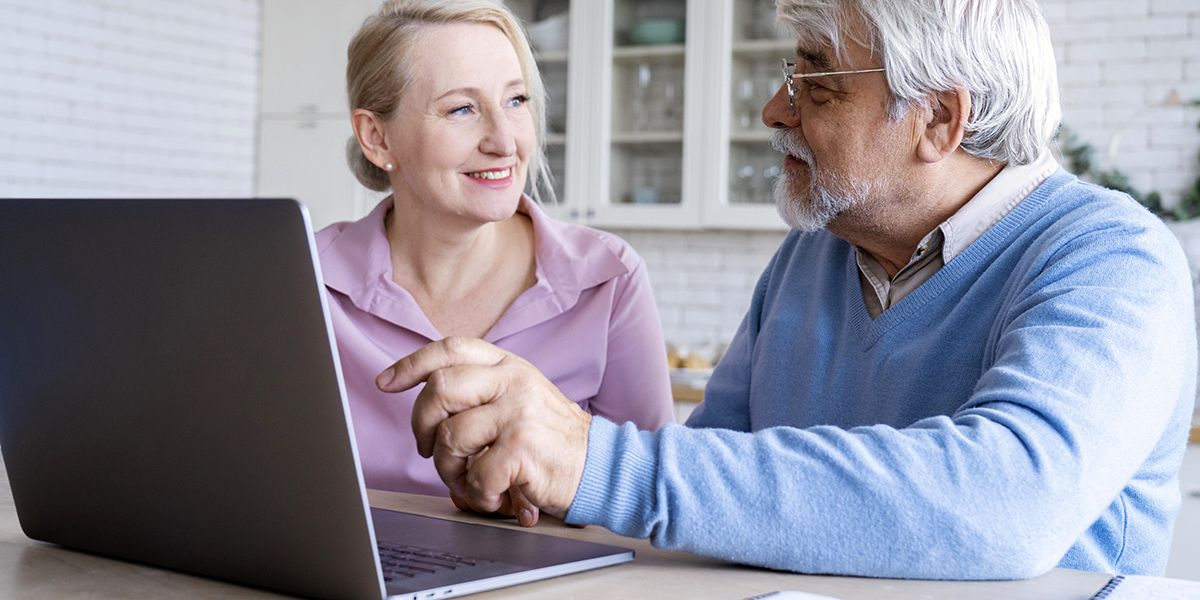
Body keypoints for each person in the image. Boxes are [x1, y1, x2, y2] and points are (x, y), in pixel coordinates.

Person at [377, 0, 1198, 581]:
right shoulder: (813, 258)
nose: (775, 109)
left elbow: (1013, 500)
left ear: (939, 120)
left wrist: (594, 458)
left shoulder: (1110, 258)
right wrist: (530, 470)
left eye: (818, 82)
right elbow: (706, 488)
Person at [317, 0, 675, 502]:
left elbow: (653, 495)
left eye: (516, 100)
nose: (505, 142)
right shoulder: (305, 281)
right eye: (462, 109)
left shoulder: (606, 279)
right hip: (341, 578)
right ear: (377, 138)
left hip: (554, 580)